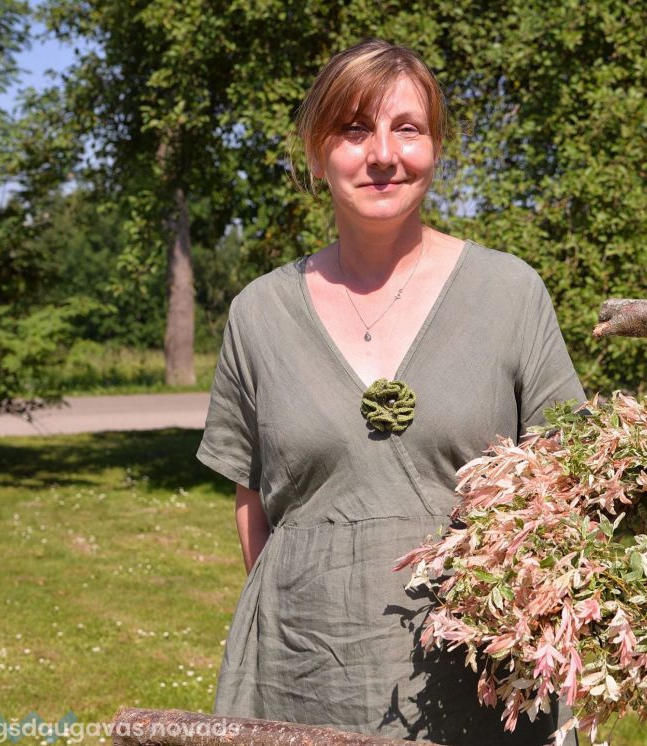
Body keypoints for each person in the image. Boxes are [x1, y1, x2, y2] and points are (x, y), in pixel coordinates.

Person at [197, 39, 584, 744]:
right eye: (353, 130)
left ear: (435, 149)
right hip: (301, 673)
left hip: (479, 676)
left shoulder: (510, 294)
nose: (382, 154)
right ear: (317, 154)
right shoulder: (259, 313)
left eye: (407, 129)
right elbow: (252, 501)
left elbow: (567, 485)